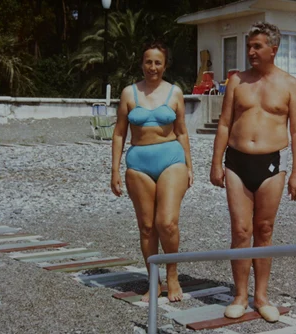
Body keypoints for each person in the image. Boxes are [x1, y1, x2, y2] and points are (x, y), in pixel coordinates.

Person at [210, 21, 296, 322]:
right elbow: (224, 124)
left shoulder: (289, 84)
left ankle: (261, 296)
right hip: (237, 162)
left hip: (270, 164)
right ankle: (240, 295)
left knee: (264, 231)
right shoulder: (237, 81)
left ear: (273, 50)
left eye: (257, 46)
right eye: (249, 46)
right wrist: (215, 162)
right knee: (240, 231)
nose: (250, 51)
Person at [111, 41, 193, 303]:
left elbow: (181, 131)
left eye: (158, 62)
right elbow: (119, 133)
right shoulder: (128, 93)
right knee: (147, 227)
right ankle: (153, 280)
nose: (153, 67)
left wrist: (190, 166)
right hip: (138, 164)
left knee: (166, 222)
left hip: (171, 159)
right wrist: (114, 170)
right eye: (148, 62)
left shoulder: (175, 93)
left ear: (165, 65)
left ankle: (172, 275)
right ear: (142, 63)